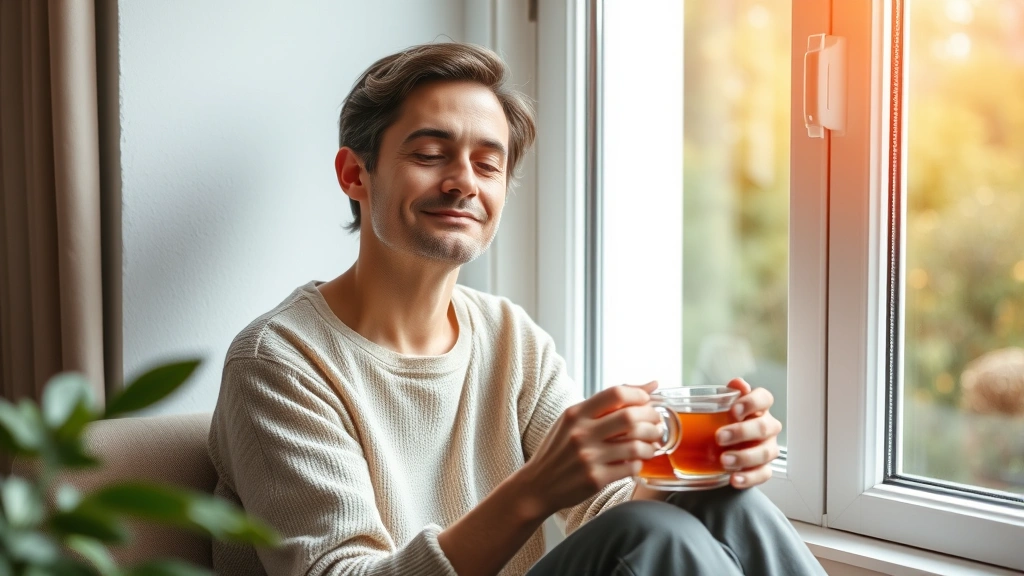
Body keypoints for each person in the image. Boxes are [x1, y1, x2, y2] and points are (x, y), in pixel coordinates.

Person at [208, 41, 825, 576]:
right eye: (430, 155)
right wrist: (532, 490)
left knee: (721, 501)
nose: (464, 182)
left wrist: (709, 463)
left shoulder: (510, 338)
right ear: (354, 175)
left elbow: (612, 511)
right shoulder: (280, 362)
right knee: (653, 536)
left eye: (488, 163)